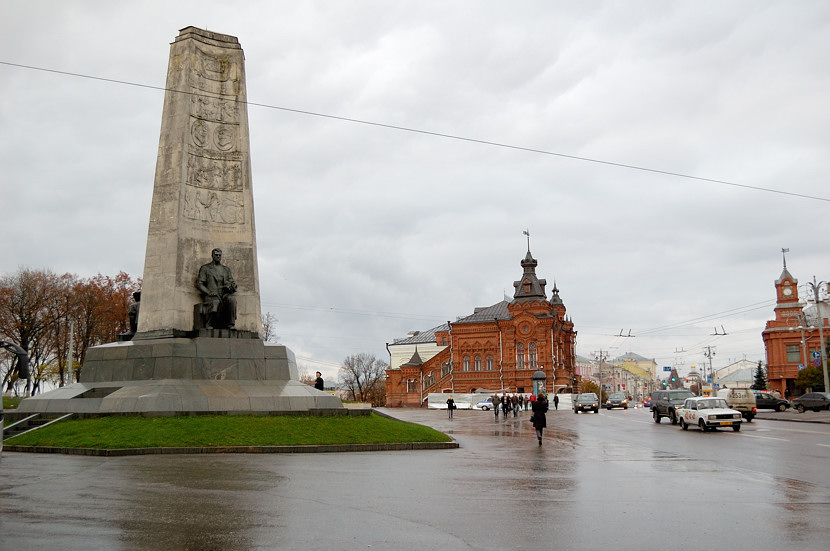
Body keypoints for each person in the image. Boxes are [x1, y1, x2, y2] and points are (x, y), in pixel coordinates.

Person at [195, 248, 238, 329]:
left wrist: (231, 286)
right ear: (212, 256)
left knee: (232, 299)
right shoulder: (205, 268)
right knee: (215, 301)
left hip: (224, 295)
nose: (218, 256)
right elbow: (199, 284)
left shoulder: (226, 269)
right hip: (212, 295)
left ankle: (231, 324)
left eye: (219, 255)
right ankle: (209, 324)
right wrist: (208, 292)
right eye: (216, 255)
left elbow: (231, 282)